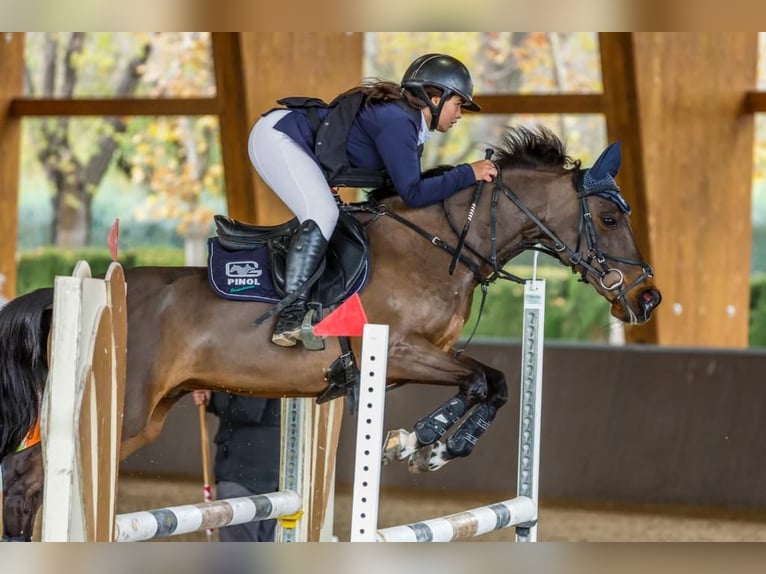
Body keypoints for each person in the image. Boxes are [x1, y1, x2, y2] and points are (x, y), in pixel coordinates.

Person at [248, 53, 498, 348]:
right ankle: (290, 315)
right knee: (322, 214)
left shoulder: (408, 124)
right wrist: (467, 173)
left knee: (329, 213)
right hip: (278, 138)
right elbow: (413, 193)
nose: (459, 114)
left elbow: (394, 195)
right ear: (434, 97)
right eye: (458, 105)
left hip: (294, 142)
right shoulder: (397, 121)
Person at [193, 390, 281, 542]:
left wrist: (217, 394)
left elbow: (247, 410)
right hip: (265, 470)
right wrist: (212, 400)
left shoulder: (251, 366)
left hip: (242, 470)